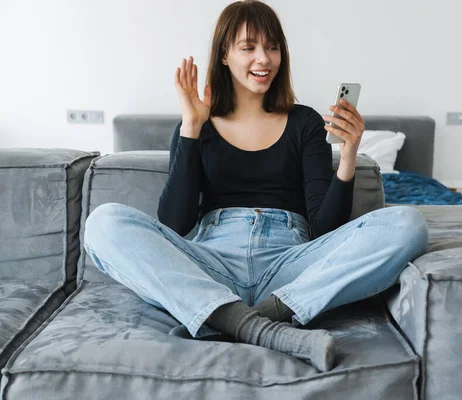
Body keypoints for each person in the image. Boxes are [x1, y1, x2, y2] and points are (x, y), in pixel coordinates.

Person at [83, 0, 429, 373]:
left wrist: (348, 156)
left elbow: (324, 229)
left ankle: (249, 315)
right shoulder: (200, 125)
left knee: (408, 223)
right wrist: (191, 128)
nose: (264, 59)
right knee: (103, 222)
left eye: (272, 47)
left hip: (289, 267)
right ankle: (260, 327)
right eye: (248, 47)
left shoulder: (305, 122)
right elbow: (174, 223)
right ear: (225, 56)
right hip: (212, 264)